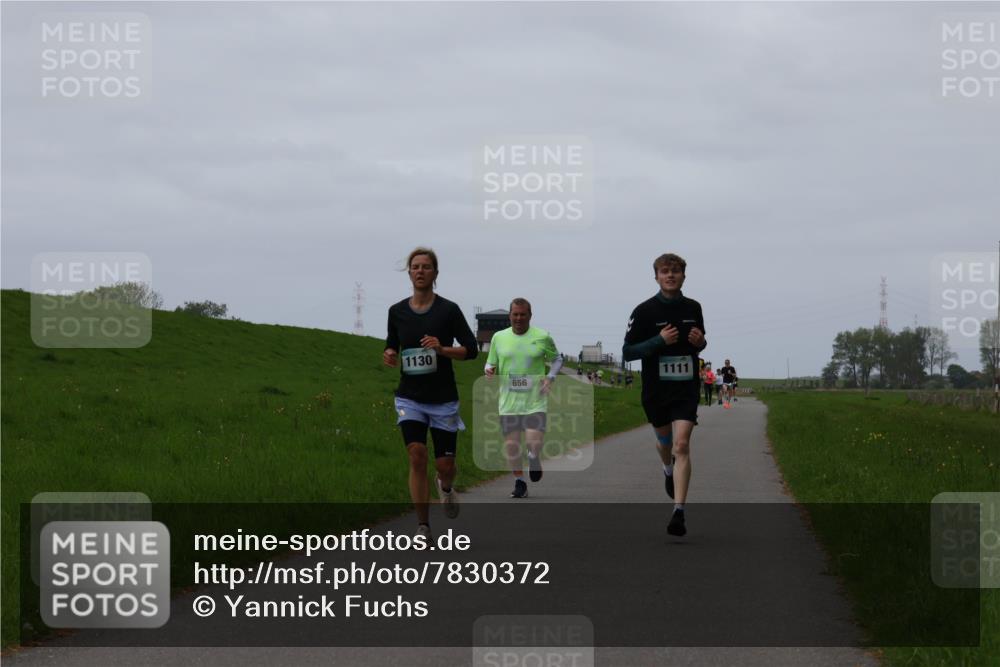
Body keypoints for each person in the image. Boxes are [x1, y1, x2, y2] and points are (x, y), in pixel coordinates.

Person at [384, 247, 478, 539]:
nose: (420, 271)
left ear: (435, 274)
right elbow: (392, 344)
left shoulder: (448, 311)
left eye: (426, 267)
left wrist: (442, 349)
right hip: (409, 396)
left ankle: (446, 486)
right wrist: (388, 352)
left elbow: (471, 350)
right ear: (409, 272)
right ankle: (423, 525)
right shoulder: (397, 311)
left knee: (445, 465)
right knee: (416, 454)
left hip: (443, 399)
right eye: (415, 266)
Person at [623, 253, 706, 537]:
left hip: (685, 388)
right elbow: (627, 352)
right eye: (664, 271)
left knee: (682, 445)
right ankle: (666, 468)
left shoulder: (694, 307)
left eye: (675, 271)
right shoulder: (644, 311)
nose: (670, 275)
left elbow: (699, 343)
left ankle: (678, 511)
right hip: (656, 390)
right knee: (665, 443)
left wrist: (701, 342)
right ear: (656, 276)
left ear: (684, 275)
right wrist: (659, 341)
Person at [484, 298, 562, 498]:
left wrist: (550, 378)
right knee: (511, 446)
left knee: (532, 442)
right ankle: (520, 482)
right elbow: (490, 362)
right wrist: (489, 371)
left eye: (523, 314)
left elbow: (557, 359)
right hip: (508, 402)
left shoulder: (542, 337)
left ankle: (534, 458)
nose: (518, 318)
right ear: (509, 316)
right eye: (515, 314)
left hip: (535, 400)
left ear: (530, 316)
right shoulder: (498, 338)